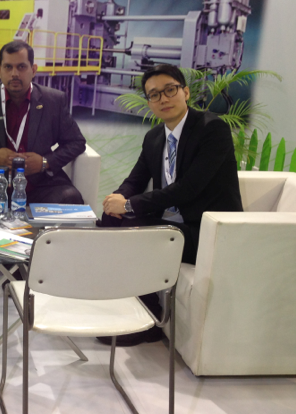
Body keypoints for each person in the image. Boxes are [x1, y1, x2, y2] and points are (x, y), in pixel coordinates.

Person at [99, 63, 242, 345]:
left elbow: (187, 189)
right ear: (149, 103)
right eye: (154, 94)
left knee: (137, 229)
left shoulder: (212, 128)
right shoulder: (154, 138)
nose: (163, 99)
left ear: (185, 92)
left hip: (206, 231)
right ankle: (128, 309)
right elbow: (135, 180)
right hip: (172, 225)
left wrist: (128, 206)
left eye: (170, 90)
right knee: (110, 220)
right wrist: (115, 200)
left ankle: (149, 320)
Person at [0, 40, 87, 237]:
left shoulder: (53, 101)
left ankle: (32, 251)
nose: (14, 73)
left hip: (39, 184)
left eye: (21, 67)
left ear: (33, 70)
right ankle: (10, 252)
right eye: (8, 67)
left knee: (71, 199)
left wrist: (45, 162)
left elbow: (77, 142)